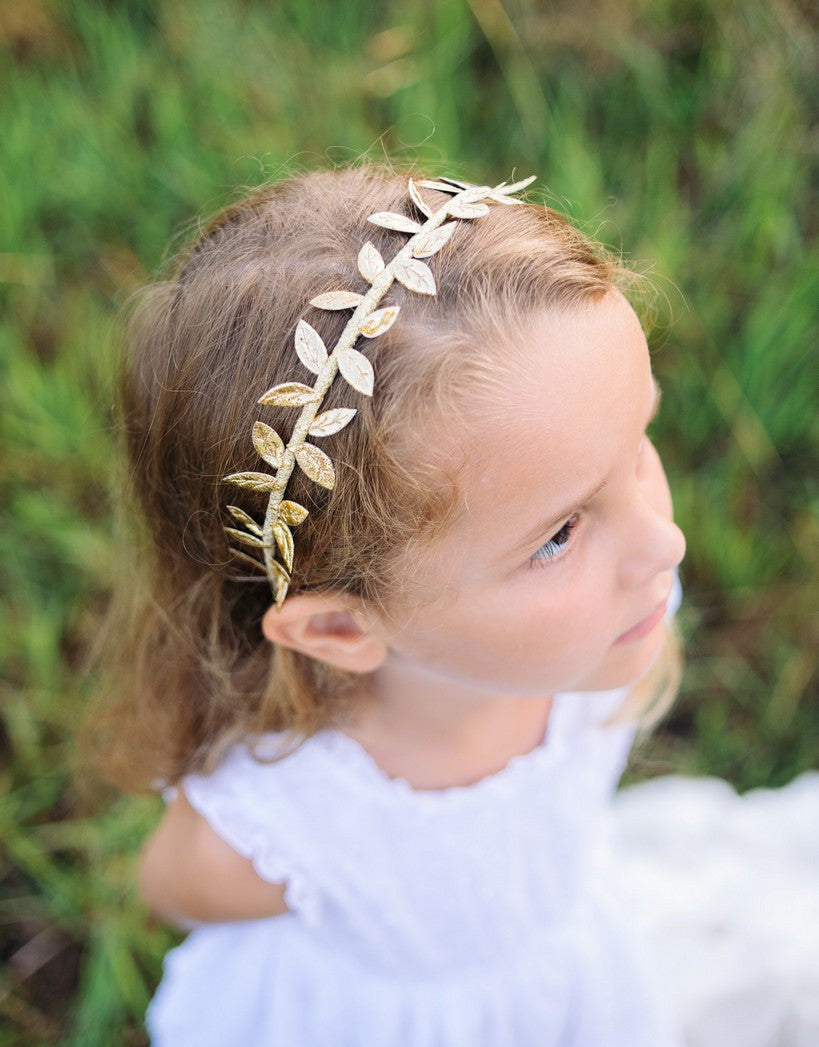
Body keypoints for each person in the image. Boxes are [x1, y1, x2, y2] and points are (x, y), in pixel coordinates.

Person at [103, 165, 690, 1045]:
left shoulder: (602, 629)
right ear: (340, 627)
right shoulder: (299, 815)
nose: (663, 545)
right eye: (559, 534)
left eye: (637, 445)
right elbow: (175, 887)